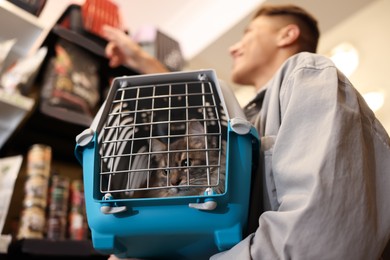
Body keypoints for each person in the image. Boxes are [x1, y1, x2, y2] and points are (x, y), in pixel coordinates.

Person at [102, 3, 390, 259]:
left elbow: (320, 239)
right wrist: (141, 60)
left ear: (286, 35)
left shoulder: (307, 73)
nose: (232, 47)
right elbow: (205, 113)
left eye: (248, 32)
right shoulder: (248, 119)